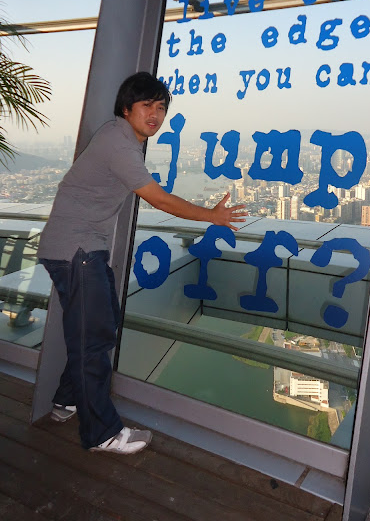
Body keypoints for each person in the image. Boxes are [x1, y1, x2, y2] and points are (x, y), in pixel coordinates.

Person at [37, 72, 247, 455]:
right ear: (126, 107)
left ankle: (67, 401)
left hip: (79, 248)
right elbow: (160, 200)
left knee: (96, 330)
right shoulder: (120, 143)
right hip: (77, 249)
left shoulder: (120, 138)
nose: (155, 114)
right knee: (94, 338)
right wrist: (212, 217)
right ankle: (101, 432)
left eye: (162, 107)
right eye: (147, 105)